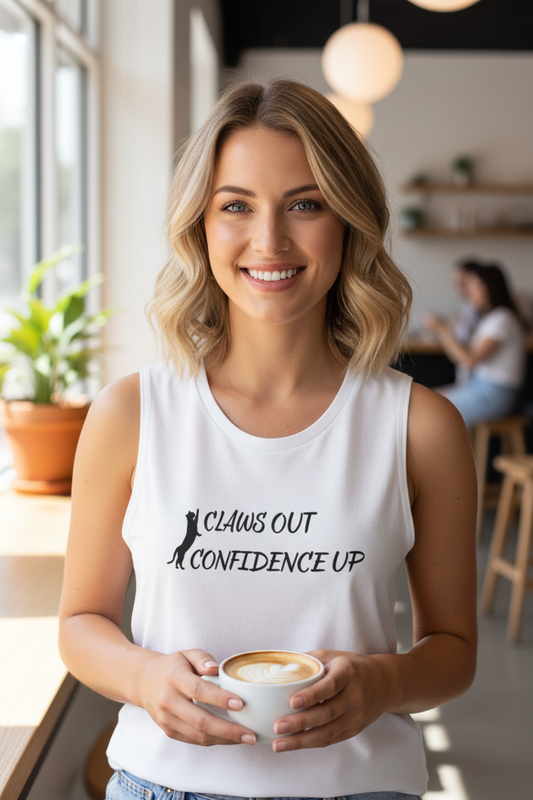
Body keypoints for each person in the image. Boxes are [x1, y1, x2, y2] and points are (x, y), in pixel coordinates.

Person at [58, 80, 477, 800]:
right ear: (199, 225)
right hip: (162, 786)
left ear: (348, 222)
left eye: (305, 204)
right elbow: (79, 622)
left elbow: (454, 652)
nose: (269, 241)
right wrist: (143, 678)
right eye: (235, 206)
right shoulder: (131, 412)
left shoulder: (421, 427)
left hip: (362, 788)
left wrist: (385, 681)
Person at [423, 264, 526, 431]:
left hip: (494, 394)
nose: (469, 292)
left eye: (474, 286)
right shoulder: (489, 317)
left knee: (432, 408)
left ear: (490, 288)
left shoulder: (503, 319)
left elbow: (470, 360)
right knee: (426, 400)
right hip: (481, 388)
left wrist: (443, 330)